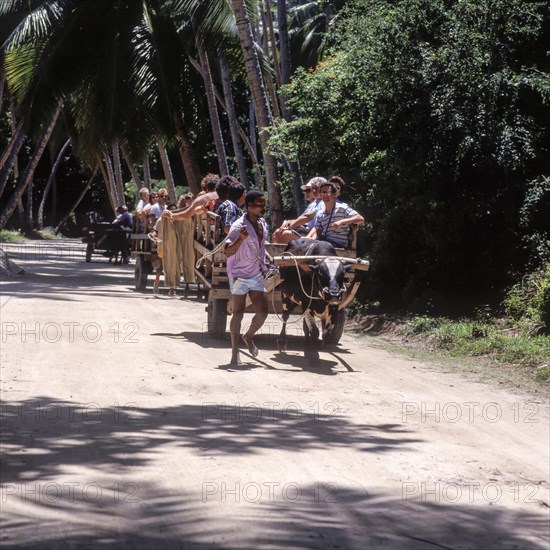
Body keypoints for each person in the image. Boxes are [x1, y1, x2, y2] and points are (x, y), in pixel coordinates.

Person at [225, 191, 270, 365]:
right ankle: (235, 352)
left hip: (257, 273)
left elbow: (260, 245)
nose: (263, 208)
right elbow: (228, 251)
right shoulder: (238, 226)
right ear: (250, 206)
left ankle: (248, 336)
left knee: (263, 313)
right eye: (260, 204)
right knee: (238, 313)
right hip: (239, 274)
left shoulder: (262, 223)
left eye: (264, 204)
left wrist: (266, 257)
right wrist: (240, 239)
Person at [307, 181, 364, 249]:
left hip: (338, 245)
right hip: (323, 244)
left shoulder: (342, 208)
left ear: (334, 194)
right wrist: (311, 241)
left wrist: (341, 222)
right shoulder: (321, 213)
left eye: (327, 192)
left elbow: (360, 219)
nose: (325, 195)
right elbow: (317, 231)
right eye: (323, 192)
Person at [272, 177, 327, 244]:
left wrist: (290, 226)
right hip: (303, 229)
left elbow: (308, 217)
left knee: (285, 234)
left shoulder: (325, 202)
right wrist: (288, 222)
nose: (314, 191)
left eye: (317, 188)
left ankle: (286, 253)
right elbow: (302, 218)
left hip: (311, 232)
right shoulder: (313, 204)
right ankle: (277, 254)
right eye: (313, 189)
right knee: (276, 233)